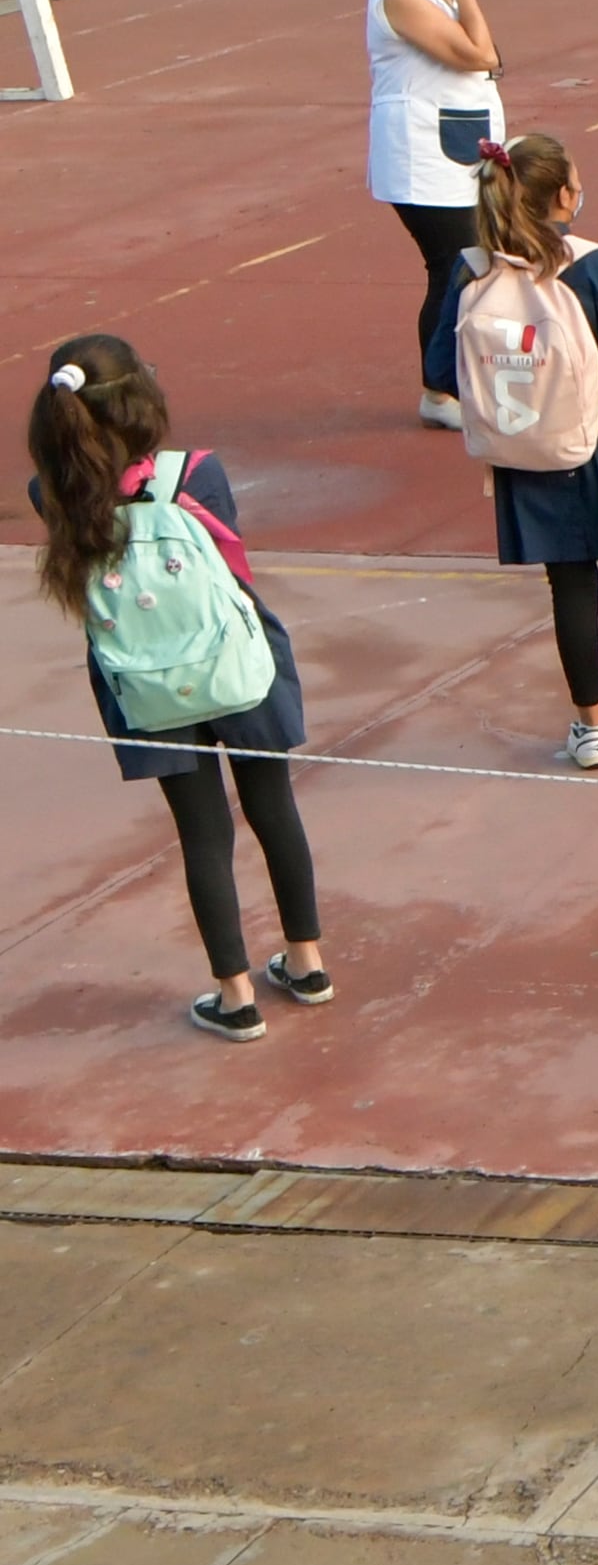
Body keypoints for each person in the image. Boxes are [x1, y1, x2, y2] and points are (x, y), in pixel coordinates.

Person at [28, 334, 330, 1041]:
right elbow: (233, 560)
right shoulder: (198, 473)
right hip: (237, 666)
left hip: (147, 686)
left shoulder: (54, 495)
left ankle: (234, 995)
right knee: (273, 806)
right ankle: (307, 961)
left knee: (202, 832)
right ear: (142, 401)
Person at [420, 132, 598, 768]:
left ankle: (590, 726)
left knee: (569, 589)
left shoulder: (473, 269)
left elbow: (440, 368)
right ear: (564, 196)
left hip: (526, 451)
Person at [355, 0, 504, 431]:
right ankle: (439, 392)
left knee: (469, 264)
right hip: (423, 157)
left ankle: (454, 383)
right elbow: (478, 55)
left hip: (455, 146)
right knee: (454, 267)